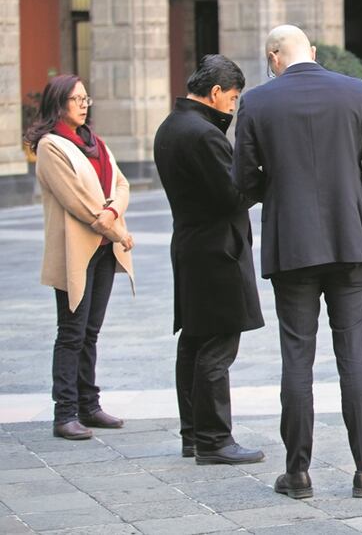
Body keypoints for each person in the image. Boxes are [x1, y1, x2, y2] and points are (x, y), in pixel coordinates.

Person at [234, 25, 362, 500]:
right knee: (354, 358)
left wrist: (278, 189)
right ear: (311, 51)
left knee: (297, 360)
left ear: (273, 56)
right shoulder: (354, 91)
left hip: (292, 247)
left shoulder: (258, 103)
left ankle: (298, 473)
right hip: (350, 243)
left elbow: (243, 179)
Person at [153, 55, 265, 465]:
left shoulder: (171, 125)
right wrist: (260, 176)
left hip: (191, 245)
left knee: (195, 342)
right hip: (218, 250)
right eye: (233, 99)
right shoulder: (203, 134)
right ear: (216, 93)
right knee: (218, 344)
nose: (233, 107)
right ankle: (215, 439)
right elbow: (232, 195)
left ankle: (193, 435)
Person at [26, 75, 134, 441]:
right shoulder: (50, 146)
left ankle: (89, 405)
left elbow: (121, 184)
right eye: (76, 99)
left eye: (86, 98)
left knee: (91, 332)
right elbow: (78, 201)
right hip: (77, 250)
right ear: (59, 103)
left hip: (102, 250)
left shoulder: (96, 143)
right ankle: (65, 413)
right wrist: (117, 229)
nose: (84, 104)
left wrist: (113, 215)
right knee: (71, 332)